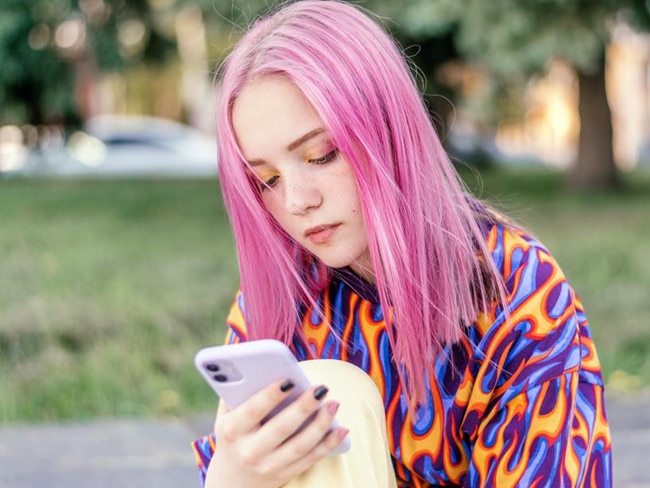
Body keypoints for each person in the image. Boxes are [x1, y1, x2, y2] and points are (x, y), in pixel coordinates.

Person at [191, 1, 613, 486]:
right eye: (265, 179)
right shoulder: (284, 290)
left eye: (322, 154)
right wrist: (232, 476)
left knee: (339, 392)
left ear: (388, 130)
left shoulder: (514, 291)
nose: (297, 201)